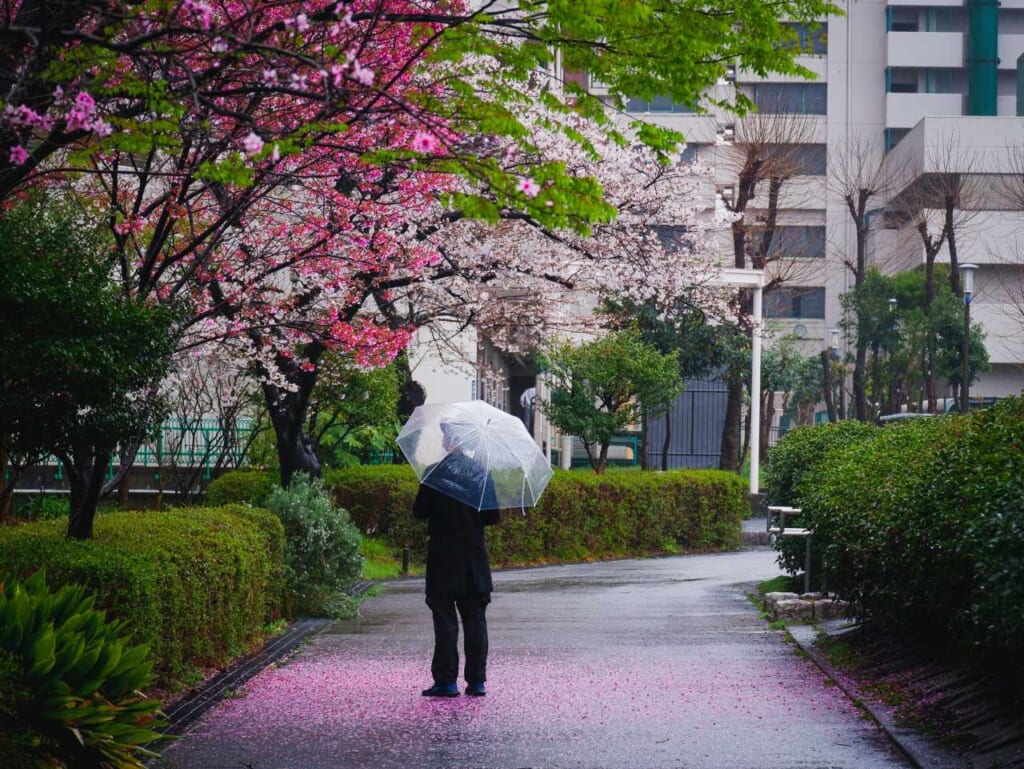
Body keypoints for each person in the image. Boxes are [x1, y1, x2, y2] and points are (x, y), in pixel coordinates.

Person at [413, 423, 500, 697]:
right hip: (473, 560)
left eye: (445, 435)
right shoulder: (481, 474)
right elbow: (492, 517)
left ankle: (446, 681)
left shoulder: (434, 473)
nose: (442, 439)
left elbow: (419, 511)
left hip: (442, 558)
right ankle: (477, 681)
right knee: (475, 620)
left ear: (452, 440)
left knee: (445, 621)